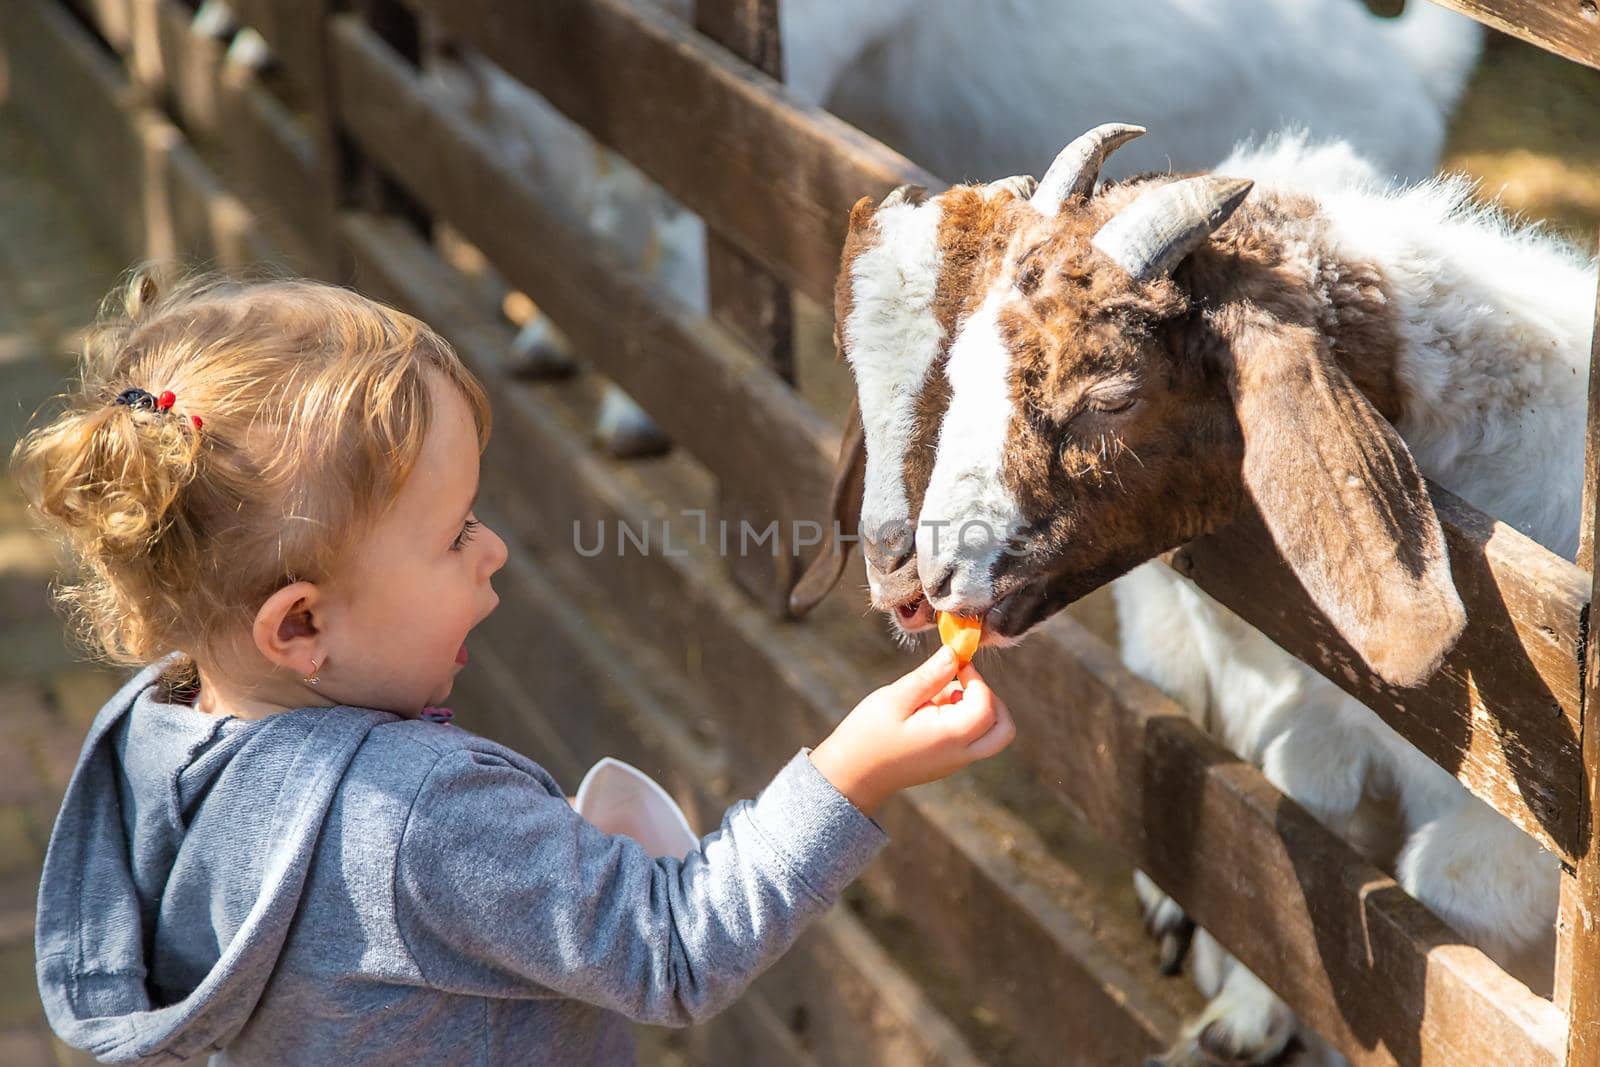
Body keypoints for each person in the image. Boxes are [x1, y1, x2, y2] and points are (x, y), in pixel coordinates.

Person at [12, 272, 1015, 1065]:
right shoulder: (426, 816)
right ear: (303, 624)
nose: (492, 550)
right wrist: (855, 770)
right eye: (455, 533)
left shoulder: (155, 731)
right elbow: (673, 948)